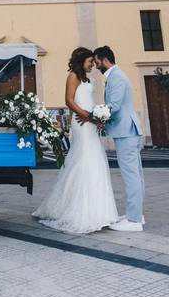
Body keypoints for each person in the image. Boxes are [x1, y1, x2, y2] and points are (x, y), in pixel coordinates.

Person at [32, 47, 119, 234]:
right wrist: (88, 115)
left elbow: (89, 99)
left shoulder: (88, 79)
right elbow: (69, 101)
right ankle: (83, 209)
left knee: (94, 160)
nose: (93, 65)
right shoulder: (73, 76)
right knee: (87, 158)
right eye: (90, 62)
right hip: (81, 123)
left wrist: (98, 117)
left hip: (90, 121)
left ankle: (100, 211)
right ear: (81, 62)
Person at [94, 45, 146, 232]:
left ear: (105, 59)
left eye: (97, 61)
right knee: (136, 174)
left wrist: (97, 118)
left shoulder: (116, 78)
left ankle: (133, 221)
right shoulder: (116, 76)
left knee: (131, 174)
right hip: (127, 131)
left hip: (126, 132)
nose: (96, 65)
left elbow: (113, 106)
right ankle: (137, 214)